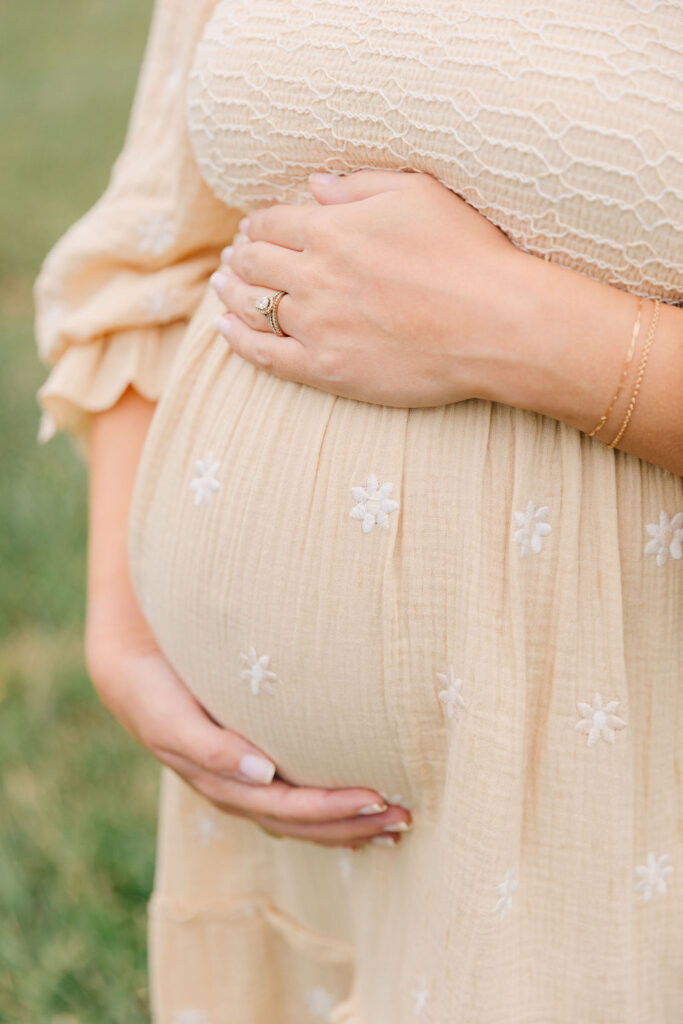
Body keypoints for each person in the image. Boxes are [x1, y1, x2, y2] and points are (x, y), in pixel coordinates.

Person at [33, 0, 682, 1020]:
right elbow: (157, 240)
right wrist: (123, 628)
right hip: (271, 858)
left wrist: (513, 327)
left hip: (604, 816)